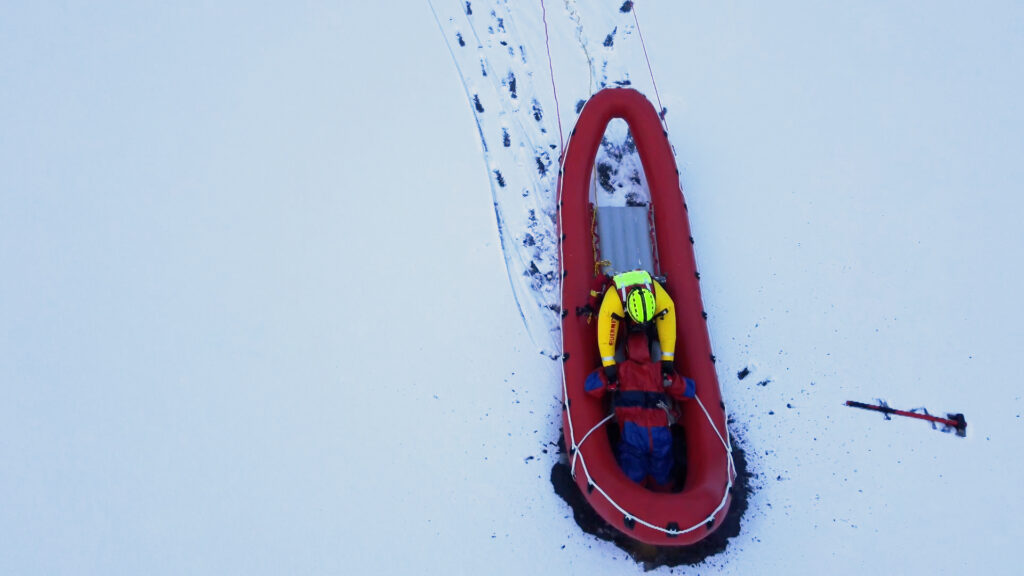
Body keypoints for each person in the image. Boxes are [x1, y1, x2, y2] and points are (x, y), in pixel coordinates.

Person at [585, 331, 695, 489]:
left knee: (632, 478)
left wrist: (606, 374)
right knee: (663, 476)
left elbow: (590, 387)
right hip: (659, 436)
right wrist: (672, 379)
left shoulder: (620, 371)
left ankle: (636, 504)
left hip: (632, 436)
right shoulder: (659, 371)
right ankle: (664, 501)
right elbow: (688, 390)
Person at [596, 269, 677, 384]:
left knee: (652, 328)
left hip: (642, 297)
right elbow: (606, 338)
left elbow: (668, 330)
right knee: (617, 336)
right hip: (619, 300)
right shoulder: (612, 304)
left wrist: (668, 360)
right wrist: (609, 366)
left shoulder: (662, 300)